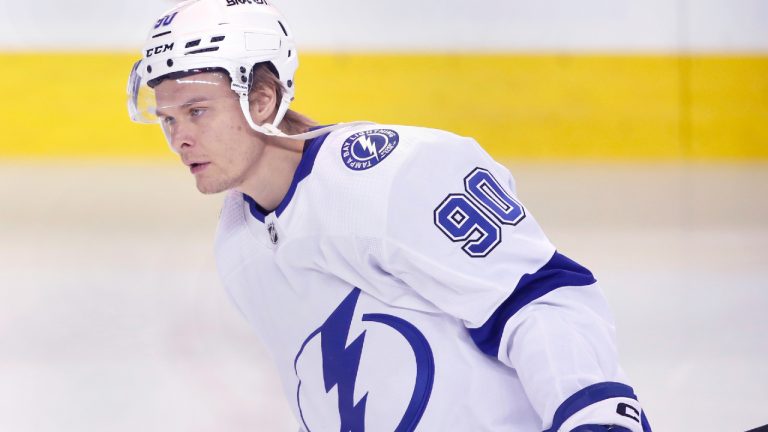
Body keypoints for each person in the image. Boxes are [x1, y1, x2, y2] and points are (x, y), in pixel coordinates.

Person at [127, 1, 652, 431]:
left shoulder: (389, 173)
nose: (180, 138)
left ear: (261, 100)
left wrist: (595, 414)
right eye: (168, 119)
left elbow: (536, 296)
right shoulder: (237, 245)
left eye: (197, 111)